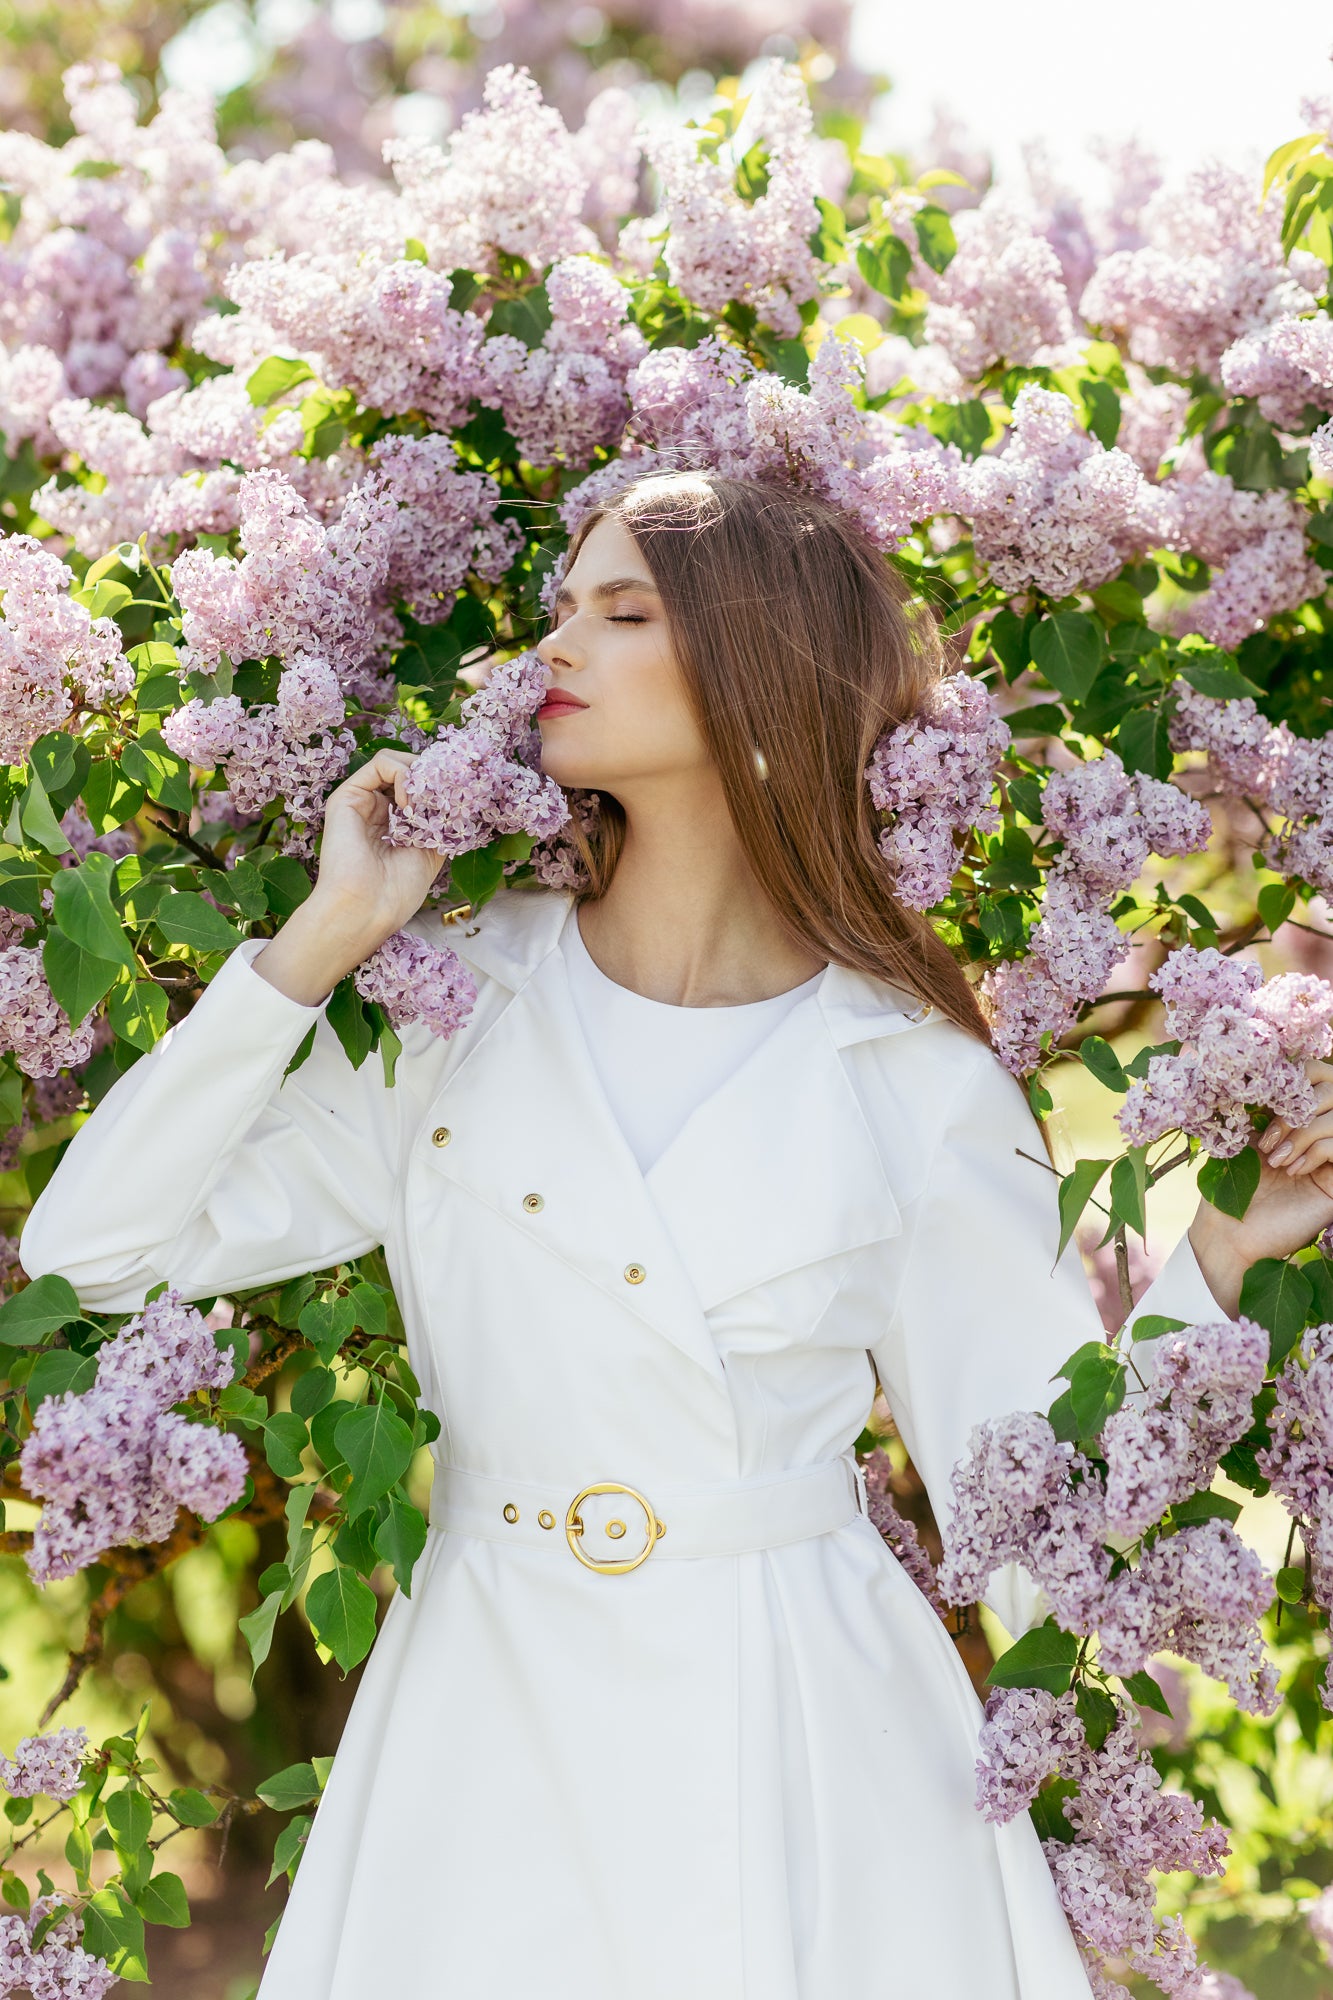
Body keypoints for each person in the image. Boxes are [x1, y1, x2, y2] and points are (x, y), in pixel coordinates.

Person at [19, 472, 1333, 2000]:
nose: (555, 645)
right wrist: (323, 939)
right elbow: (94, 1251)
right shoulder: (456, 997)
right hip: (486, 1714)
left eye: (622, 612)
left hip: (810, 1740)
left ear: (752, 662)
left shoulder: (911, 1078)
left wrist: (1219, 1257)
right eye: (561, 607)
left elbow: (1045, 1536)